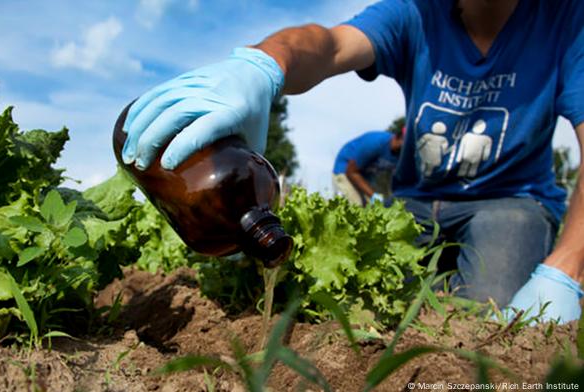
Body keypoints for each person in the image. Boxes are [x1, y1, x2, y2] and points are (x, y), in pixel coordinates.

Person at [119, 0, 584, 323]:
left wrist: (568, 267)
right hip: (416, 203)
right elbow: (331, 45)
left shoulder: (568, 21)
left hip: (511, 199)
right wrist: (263, 66)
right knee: (373, 308)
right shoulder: (416, 13)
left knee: (489, 313)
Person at [332, 124, 404, 206]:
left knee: (375, 208)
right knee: (355, 205)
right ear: (397, 137)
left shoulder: (403, 154)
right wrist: (374, 196)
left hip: (365, 176)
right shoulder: (375, 143)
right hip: (345, 170)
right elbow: (351, 172)